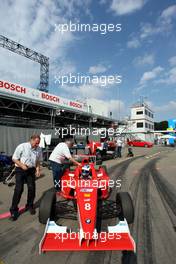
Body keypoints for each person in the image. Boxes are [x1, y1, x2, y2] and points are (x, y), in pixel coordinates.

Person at [10, 135, 42, 221]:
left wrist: (38, 170)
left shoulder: (38, 149)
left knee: (32, 188)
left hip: (31, 170)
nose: (37, 145)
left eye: (38, 143)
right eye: (36, 143)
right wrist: (22, 165)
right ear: (31, 140)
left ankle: (29, 205)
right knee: (19, 189)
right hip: (20, 169)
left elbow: (38, 161)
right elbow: (14, 158)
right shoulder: (22, 146)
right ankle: (14, 210)